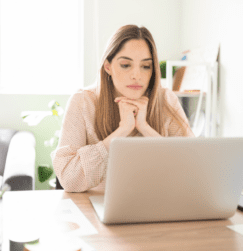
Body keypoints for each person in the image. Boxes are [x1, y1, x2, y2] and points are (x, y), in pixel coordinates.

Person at [51, 25, 195, 193]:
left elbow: (192, 166)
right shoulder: (83, 101)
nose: (137, 75)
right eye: (126, 65)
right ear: (108, 67)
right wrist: (122, 131)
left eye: (145, 66)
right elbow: (69, 179)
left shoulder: (166, 100)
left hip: (158, 202)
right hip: (97, 205)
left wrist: (145, 128)